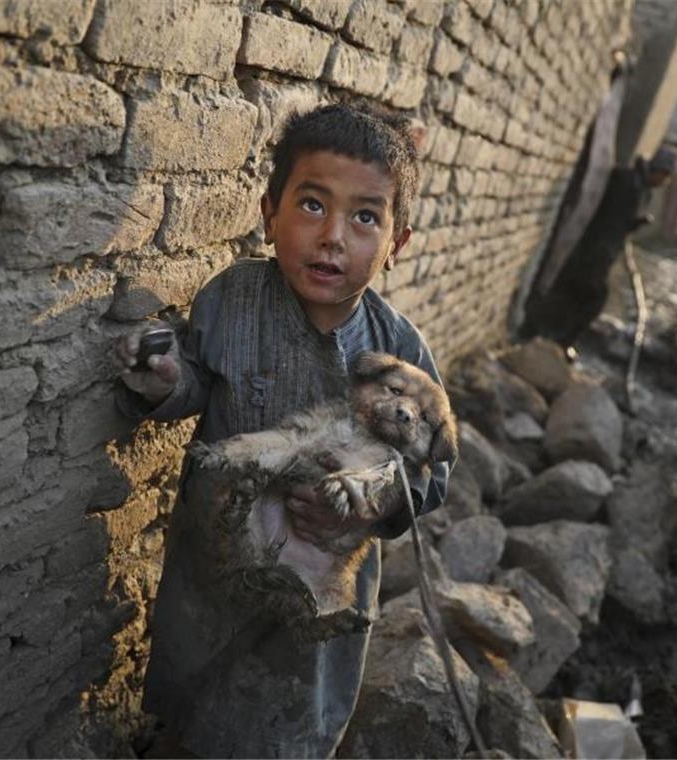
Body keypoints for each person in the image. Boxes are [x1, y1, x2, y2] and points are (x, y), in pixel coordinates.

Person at [112, 103, 452, 758]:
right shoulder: (230, 300)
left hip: (316, 589)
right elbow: (196, 381)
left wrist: (375, 498)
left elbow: (430, 471)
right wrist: (160, 379)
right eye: (312, 205)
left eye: (364, 218)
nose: (333, 237)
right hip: (216, 568)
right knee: (197, 692)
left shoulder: (399, 354)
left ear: (397, 242)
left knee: (285, 723)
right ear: (270, 212)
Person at [519, 145, 677, 347]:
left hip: (602, 254)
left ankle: (545, 336)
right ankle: (545, 336)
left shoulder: (643, 190)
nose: (665, 182)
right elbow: (608, 216)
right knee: (583, 298)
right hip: (592, 249)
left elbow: (620, 222)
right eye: (665, 176)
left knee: (572, 296)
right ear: (659, 170)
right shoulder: (627, 181)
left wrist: (635, 224)